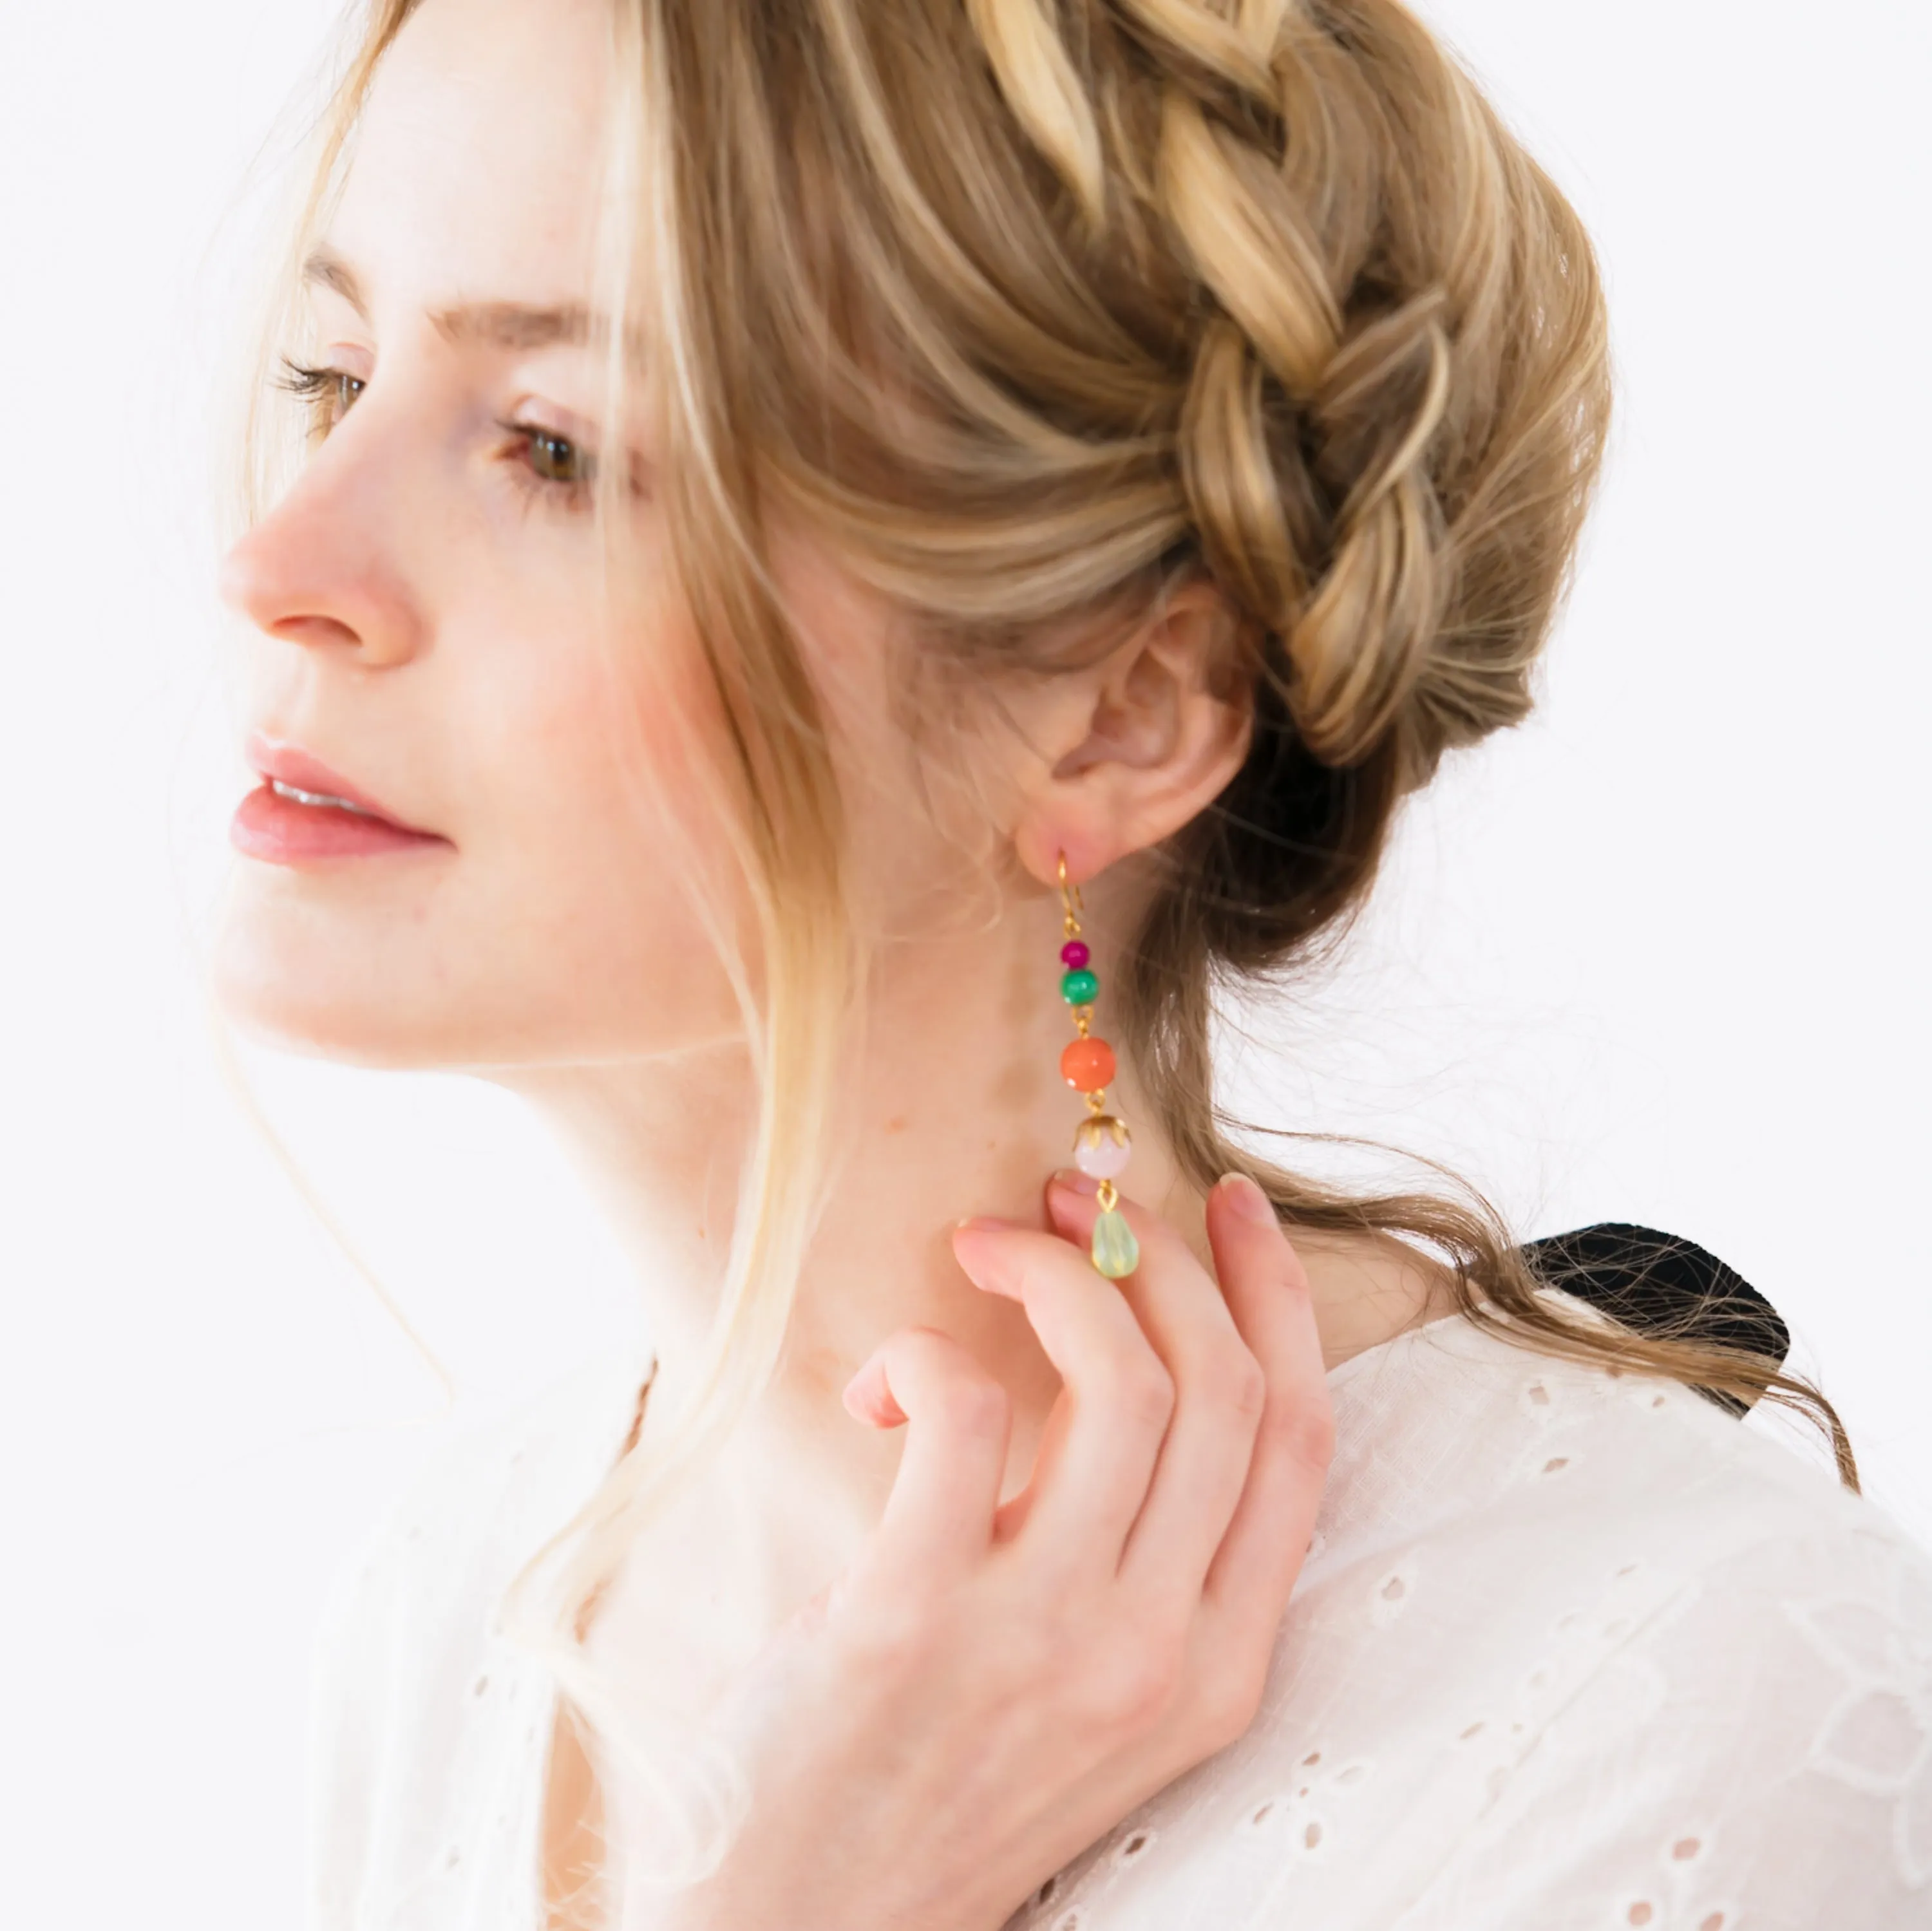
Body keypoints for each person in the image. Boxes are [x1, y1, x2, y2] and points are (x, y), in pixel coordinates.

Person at [209, 0, 1932, 1926]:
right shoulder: (455, 1597)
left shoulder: (1684, 1704)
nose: (280, 557)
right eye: (327, 371)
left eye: (553, 445)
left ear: (1122, 716)